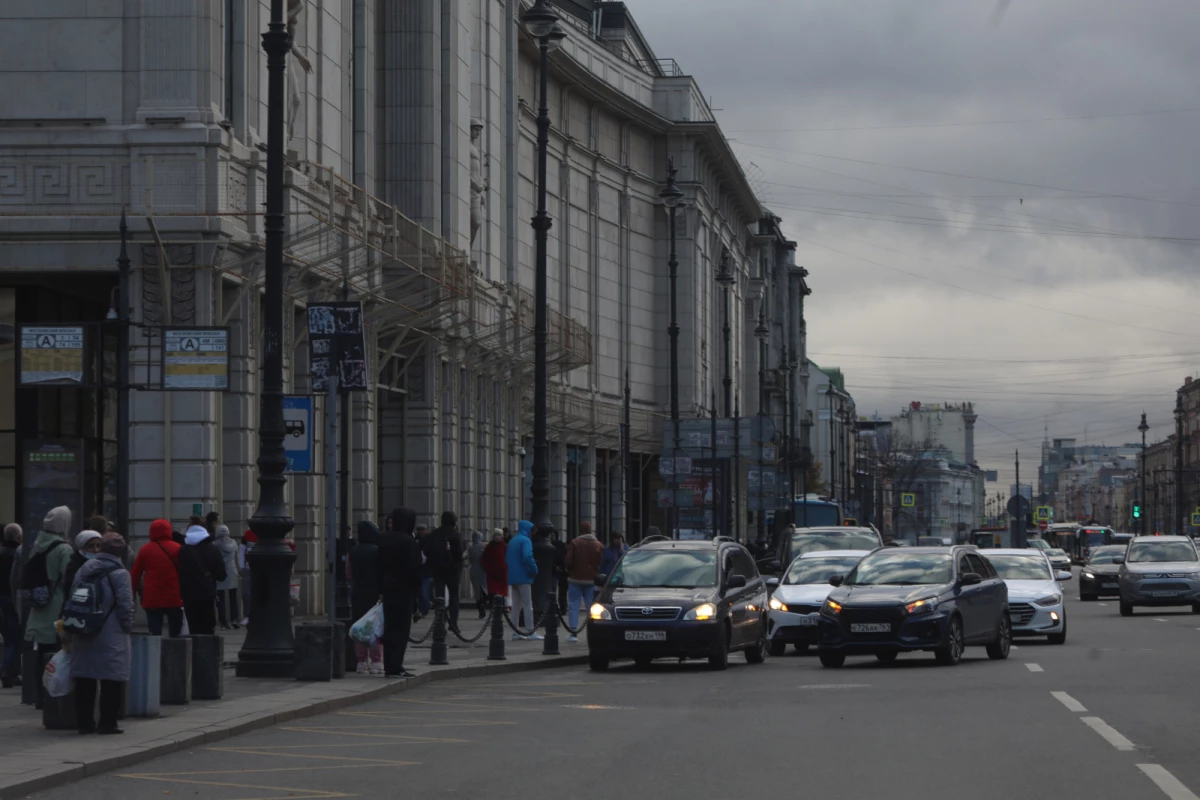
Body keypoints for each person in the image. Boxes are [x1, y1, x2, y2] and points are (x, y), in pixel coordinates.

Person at [69, 532, 134, 735]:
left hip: (84, 627)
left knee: (85, 677)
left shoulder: (85, 568)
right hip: (110, 630)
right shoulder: (120, 573)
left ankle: (84, 723)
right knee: (111, 678)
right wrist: (127, 626)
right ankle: (108, 723)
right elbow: (125, 605)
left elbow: (72, 594)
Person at [23, 506, 74, 706]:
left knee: (41, 656)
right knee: (57, 655)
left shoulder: (37, 545)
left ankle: (39, 696)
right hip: (57, 607)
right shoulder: (63, 549)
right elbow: (69, 579)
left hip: (39, 608)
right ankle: (51, 696)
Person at [377, 508, 423, 678]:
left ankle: (388, 664)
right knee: (401, 629)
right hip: (404, 590)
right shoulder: (409, 542)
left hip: (387, 589)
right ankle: (396, 666)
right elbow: (414, 569)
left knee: (389, 629)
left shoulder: (383, 538)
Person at [130, 519, 185, 636]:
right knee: (175, 633)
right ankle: (174, 652)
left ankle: (155, 652)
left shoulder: (145, 549)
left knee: (154, 633)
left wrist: (131, 595)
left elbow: (135, 575)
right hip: (174, 596)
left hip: (152, 598)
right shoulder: (178, 548)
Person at [178, 517, 226, 635]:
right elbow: (221, 575)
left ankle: (194, 651)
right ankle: (207, 652)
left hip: (188, 595)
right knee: (208, 628)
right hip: (207, 594)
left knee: (193, 627)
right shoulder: (212, 549)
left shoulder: (183, 550)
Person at [347, 520, 382, 674]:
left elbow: (349, 573)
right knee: (375, 626)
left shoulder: (353, 551)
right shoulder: (377, 550)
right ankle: (376, 661)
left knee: (360, 626)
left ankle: (361, 661)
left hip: (358, 591)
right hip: (374, 592)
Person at [424, 511, 465, 628]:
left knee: (439, 597)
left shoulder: (435, 533)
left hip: (438, 569)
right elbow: (459, 553)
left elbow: (426, 551)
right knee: (454, 596)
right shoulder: (456, 534)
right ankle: (453, 623)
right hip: (453, 570)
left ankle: (439, 621)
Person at [564, 522, 604, 641]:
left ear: (580, 530)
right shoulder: (597, 544)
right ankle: (593, 631)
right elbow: (600, 562)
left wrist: (570, 569)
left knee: (573, 606)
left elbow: (568, 561)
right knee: (591, 607)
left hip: (575, 578)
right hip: (591, 580)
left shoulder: (575, 543)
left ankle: (573, 632)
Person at [506, 520, 539, 640]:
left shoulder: (512, 540)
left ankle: (515, 631)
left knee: (516, 605)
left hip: (512, 576)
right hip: (523, 576)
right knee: (527, 604)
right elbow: (527, 557)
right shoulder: (526, 540)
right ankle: (530, 631)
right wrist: (534, 569)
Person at [0, 523, 21, 688]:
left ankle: (11, 670)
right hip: (10, 598)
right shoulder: (18, 554)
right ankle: (8, 671)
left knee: (9, 638)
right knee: (13, 638)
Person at [213, 526, 240, 630]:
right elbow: (237, 557)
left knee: (221, 598)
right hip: (232, 571)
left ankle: (223, 622)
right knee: (233, 597)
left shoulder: (215, 544)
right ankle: (234, 619)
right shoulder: (233, 543)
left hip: (220, 572)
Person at [481, 529, 508, 606]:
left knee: (501, 593)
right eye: (496, 535)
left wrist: (505, 567)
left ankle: (501, 608)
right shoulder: (489, 546)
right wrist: (487, 568)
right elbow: (483, 558)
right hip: (492, 574)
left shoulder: (505, 546)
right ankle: (493, 607)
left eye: (499, 535)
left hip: (502, 574)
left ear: (502, 537)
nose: (497, 537)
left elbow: (509, 558)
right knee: (492, 592)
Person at [238, 530, 256, 626]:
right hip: (248, 568)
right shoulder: (247, 534)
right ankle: (247, 615)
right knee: (246, 593)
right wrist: (242, 566)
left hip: (261, 568)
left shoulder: (265, 532)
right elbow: (241, 549)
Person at [467, 531, 487, 618]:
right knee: (485, 589)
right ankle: (484, 603)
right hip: (483, 570)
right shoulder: (484, 546)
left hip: (474, 570)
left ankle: (480, 608)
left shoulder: (470, 548)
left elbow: (470, 560)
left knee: (477, 591)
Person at [551, 530, 568, 611]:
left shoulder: (560, 545)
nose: (551, 536)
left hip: (561, 571)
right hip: (554, 570)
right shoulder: (551, 545)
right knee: (553, 589)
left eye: (553, 535)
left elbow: (564, 557)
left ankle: (562, 607)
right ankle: (553, 606)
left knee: (562, 591)